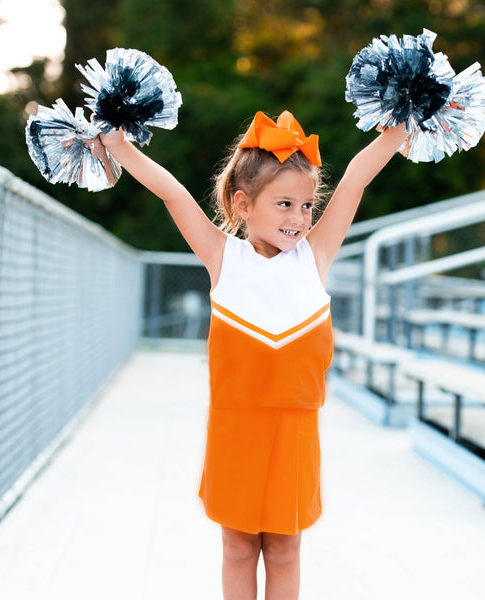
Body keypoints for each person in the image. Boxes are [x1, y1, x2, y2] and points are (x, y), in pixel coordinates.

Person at [100, 111, 408, 600]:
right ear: (243, 204)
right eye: (285, 204)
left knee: (285, 548)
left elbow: (354, 179)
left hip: (294, 431)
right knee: (238, 547)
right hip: (235, 429)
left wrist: (401, 128)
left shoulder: (316, 256)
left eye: (306, 206)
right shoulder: (223, 258)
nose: (299, 218)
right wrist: (119, 146)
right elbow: (173, 193)